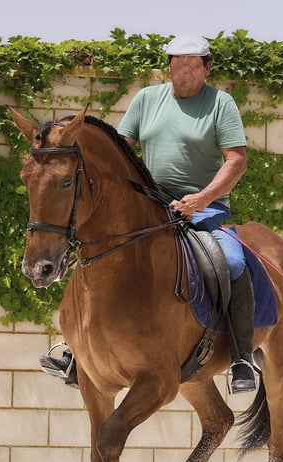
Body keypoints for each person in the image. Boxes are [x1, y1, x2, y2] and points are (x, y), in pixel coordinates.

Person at [40, 34, 257, 394]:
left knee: (232, 261)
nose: (184, 70)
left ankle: (241, 357)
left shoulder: (221, 104)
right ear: (168, 66)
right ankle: (79, 353)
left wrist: (201, 198)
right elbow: (119, 152)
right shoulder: (147, 99)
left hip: (202, 210)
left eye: (192, 64)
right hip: (151, 205)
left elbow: (237, 161)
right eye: (177, 62)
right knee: (95, 255)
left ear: (207, 68)